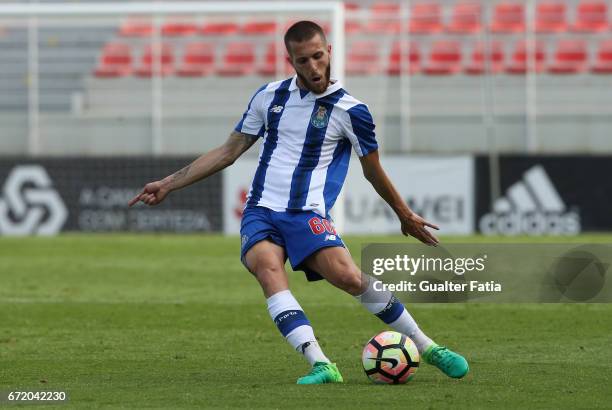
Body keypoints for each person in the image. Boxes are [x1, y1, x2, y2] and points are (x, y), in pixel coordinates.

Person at [128, 21, 468, 384]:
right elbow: (229, 151)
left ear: (329, 52)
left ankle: (427, 347)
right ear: (290, 60)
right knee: (267, 270)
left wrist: (404, 214)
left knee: (349, 277)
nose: (313, 67)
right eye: (303, 60)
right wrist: (168, 183)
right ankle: (320, 363)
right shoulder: (269, 96)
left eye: (318, 56)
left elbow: (373, 171)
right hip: (261, 209)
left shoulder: (351, 110)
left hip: (307, 213)